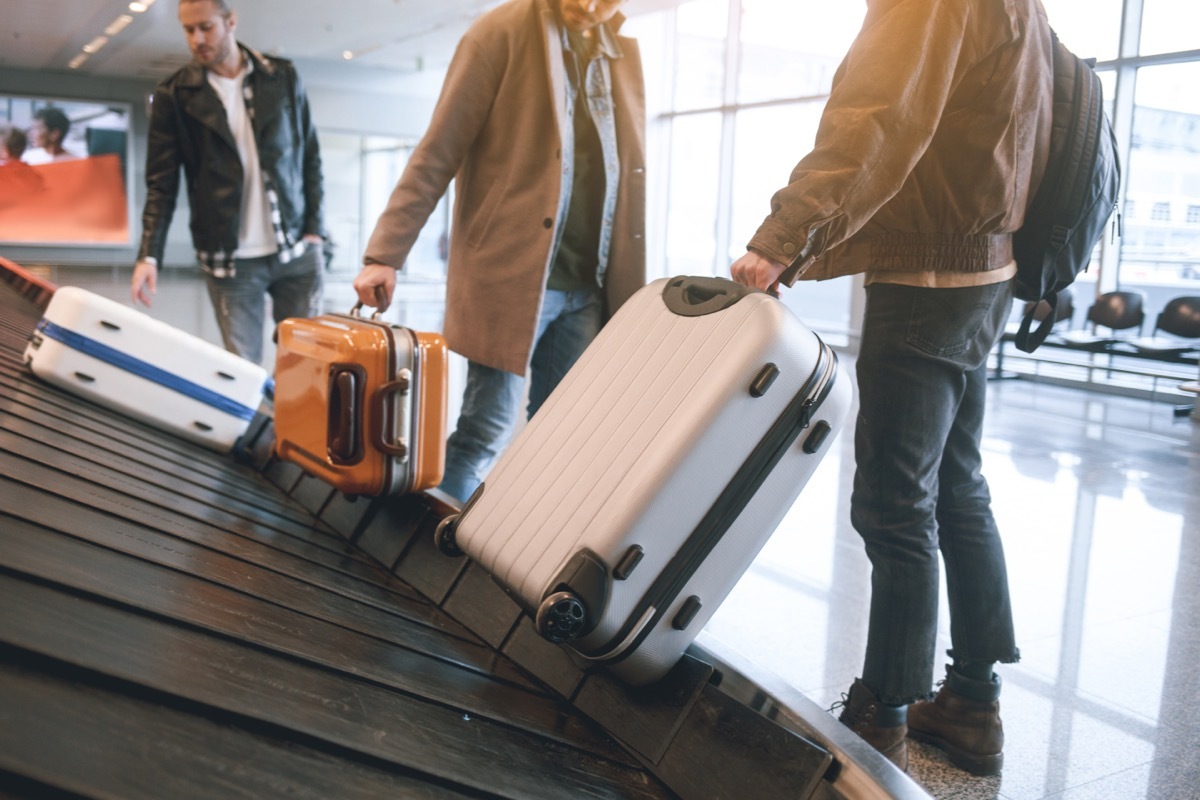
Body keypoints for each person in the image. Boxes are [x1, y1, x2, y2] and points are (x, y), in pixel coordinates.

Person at [729, 0, 1054, 775]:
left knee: (893, 500)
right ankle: (973, 704)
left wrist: (782, 239)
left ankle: (881, 716)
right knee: (955, 485)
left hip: (930, 271)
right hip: (987, 267)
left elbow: (877, 116)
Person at [353, 0, 646, 503]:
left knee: (559, 440)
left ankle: (523, 547)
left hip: (590, 284)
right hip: (514, 279)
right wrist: (385, 253)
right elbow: (438, 149)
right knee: (485, 430)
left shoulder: (619, 48)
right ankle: (434, 552)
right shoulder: (501, 32)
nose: (593, 6)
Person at [132, 0, 326, 365]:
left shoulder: (281, 76)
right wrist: (149, 254)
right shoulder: (175, 95)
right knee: (242, 370)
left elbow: (309, 156)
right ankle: (254, 424)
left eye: (206, 27)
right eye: (188, 30)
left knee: (308, 365)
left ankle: (295, 425)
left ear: (231, 22)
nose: (196, 39)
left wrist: (316, 228)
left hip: (296, 250)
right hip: (229, 260)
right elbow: (162, 183)